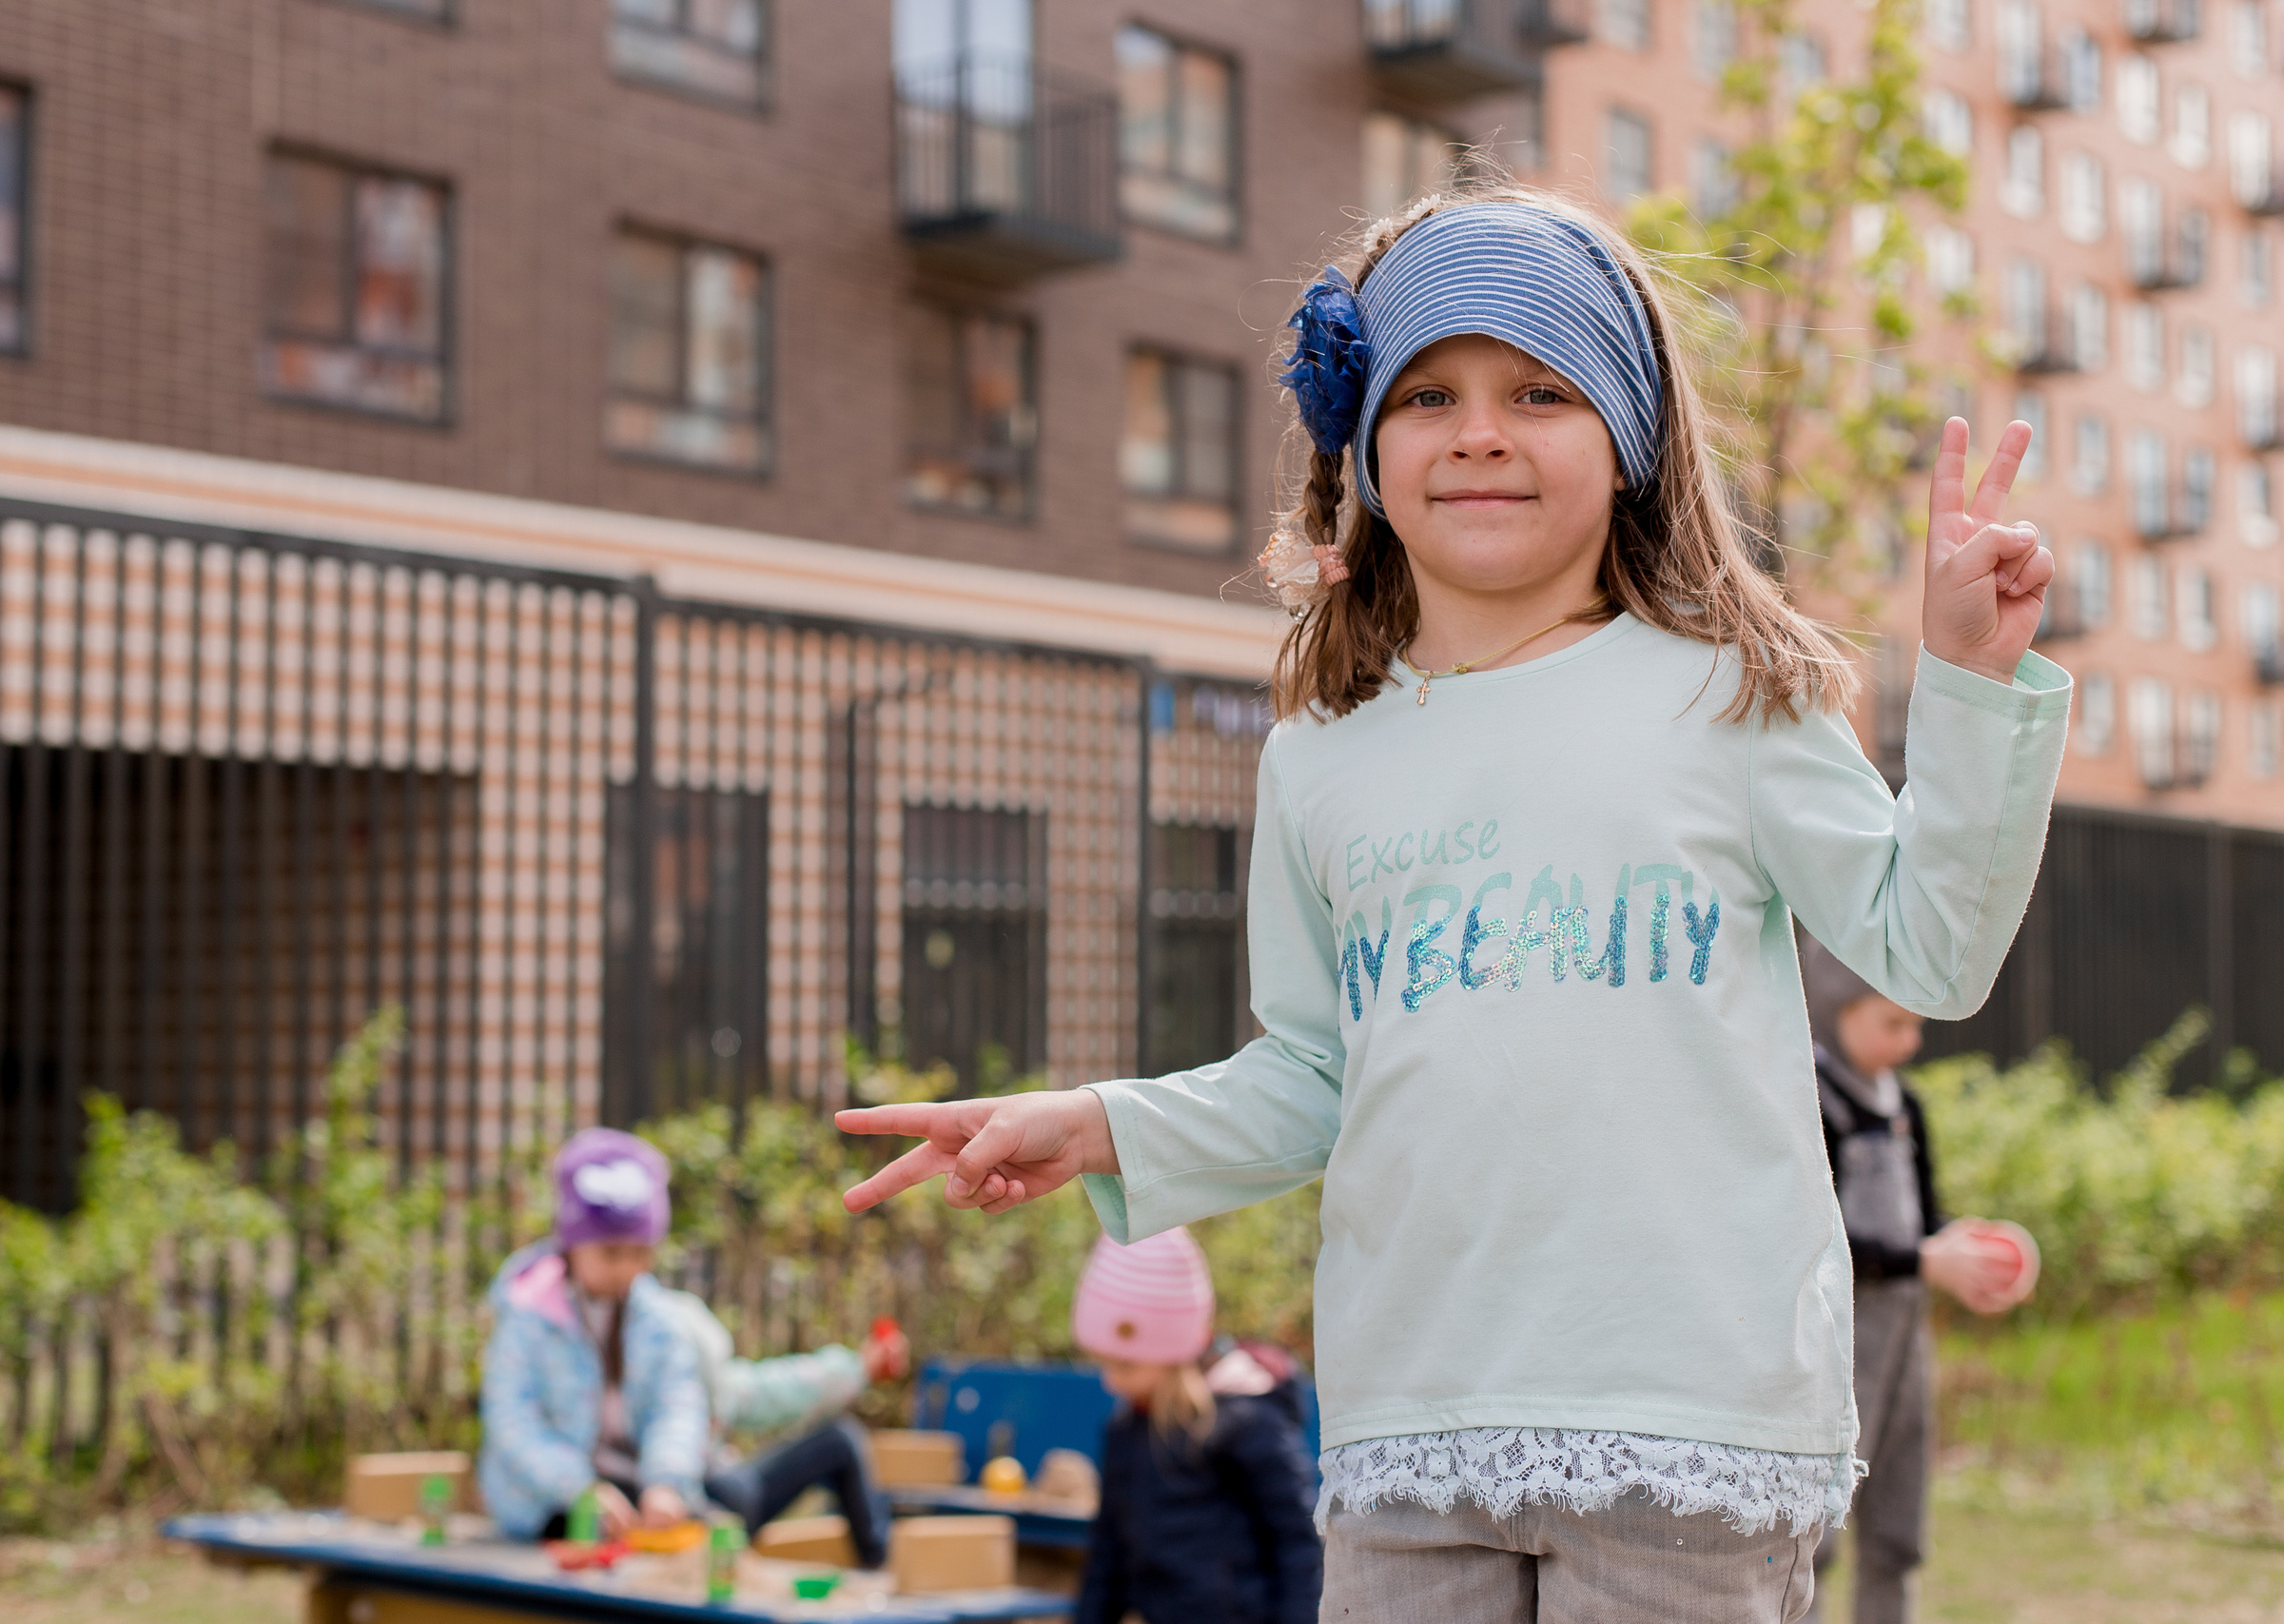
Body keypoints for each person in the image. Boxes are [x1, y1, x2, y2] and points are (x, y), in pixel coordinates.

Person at [837, 178, 2069, 1623]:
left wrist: (1973, 680)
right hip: (1410, 1426)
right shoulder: (1319, 753)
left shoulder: (1740, 692)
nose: (1481, 427)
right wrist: (1103, 1120)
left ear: (1627, 440)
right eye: (1428, 394)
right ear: (1362, 448)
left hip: (1690, 1426)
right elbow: (1313, 1073)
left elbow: (1933, 944)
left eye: (1540, 386)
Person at [1799, 935, 2037, 1624]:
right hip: (1837, 1352)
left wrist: (1964, 1248)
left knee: (1898, 1525)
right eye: (1893, 1023)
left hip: (1907, 1345)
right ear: (1838, 1010)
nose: (1910, 1041)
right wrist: (1926, 1260)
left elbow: (1925, 1218)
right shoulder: (1813, 1102)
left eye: (1917, 1025)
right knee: (1816, 1532)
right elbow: (1823, 1237)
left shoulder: (1908, 1107)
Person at [1071, 1228, 1321, 1624]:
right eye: (1104, 1362)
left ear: (1172, 1353)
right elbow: (1109, 1553)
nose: (1111, 1381)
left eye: (1126, 1365)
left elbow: (1296, 1543)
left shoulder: (1247, 1422)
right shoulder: (1125, 1432)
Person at [478, 1127, 709, 1541]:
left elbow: (678, 1404)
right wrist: (577, 1488)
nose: (626, 1268)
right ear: (570, 1242)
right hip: (549, 1504)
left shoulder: (657, 1319)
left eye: (640, 1253)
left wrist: (667, 1480)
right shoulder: (528, 1314)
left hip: (631, 1490)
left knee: (716, 1507)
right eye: (610, 1254)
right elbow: (512, 1422)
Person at [653, 1281, 910, 1568]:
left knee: (840, 1439)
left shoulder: (686, 1342)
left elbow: (774, 1389)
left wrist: (860, 1366)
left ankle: (880, 1568)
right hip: (693, 1510)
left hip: (728, 1490)